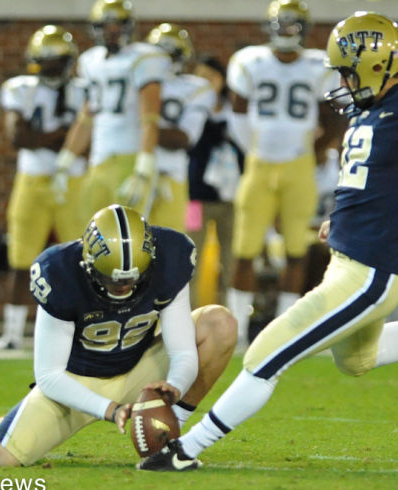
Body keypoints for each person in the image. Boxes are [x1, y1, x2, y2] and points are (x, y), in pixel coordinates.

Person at [137, 11, 398, 472]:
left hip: (369, 271)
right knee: (358, 359)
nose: (341, 80)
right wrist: (339, 217)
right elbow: (369, 180)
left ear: (374, 64)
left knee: (263, 355)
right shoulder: (368, 111)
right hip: (351, 260)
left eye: (346, 70)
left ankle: (185, 448)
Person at [0, 204, 237, 466]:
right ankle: (3, 426)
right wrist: (110, 409)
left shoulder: (171, 256)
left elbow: (181, 351)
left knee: (219, 324)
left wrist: (175, 387)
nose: (124, 287)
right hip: (77, 380)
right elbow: (48, 375)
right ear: (88, 263)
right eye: (113, 280)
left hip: (141, 368)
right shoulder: (59, 271)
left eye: (132, 280)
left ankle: (170, 437)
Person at [225, 0, 343, 348]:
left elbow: (334, 115)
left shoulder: (317, 64)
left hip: (299, 166)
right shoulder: (250, 60)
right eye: (284, 24)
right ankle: (239, 334)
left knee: (296, 248)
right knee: (244, 248)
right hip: (259, 165)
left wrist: (315, 151)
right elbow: (237, 113)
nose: (288, 31)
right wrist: (257, 149)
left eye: (294, 25)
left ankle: (284, 331)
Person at [0, 25, 88, 350]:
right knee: (21, 258)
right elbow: (19, 137)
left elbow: (91, 142)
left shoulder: (84, 89)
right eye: (47, 59)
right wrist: (62, 137)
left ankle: (83, 329)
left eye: (58, 59)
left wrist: (45, 138)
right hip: (31, 181)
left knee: (83, 261)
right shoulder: (21, 88)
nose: (53, 66)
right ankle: (12, 332)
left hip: (75, 181)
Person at [55, 0, 170, 224]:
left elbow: (150, 118)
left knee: (130, 235)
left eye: (117, 25)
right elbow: (87, 117)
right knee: (93, 232)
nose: (112, 32)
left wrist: (144, 166)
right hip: (99, 159)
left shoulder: (143, 57)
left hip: (130, 156)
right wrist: (66, 159)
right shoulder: (91, 60)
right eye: (106, 26)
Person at [139, 23, 216, 231]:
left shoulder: (195, 88)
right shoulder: (136, 81)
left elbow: (183, 139)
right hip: (134, 171)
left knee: (169, 250)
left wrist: (142, 128)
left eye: (170, 55)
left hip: (172, 175)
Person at [187, 55, 244, 308]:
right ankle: (190, 312)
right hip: (195, 199)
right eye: (201, 78)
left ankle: (228, 314)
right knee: (191, 256)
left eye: (211, 77)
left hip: (231, 199)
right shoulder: (191, 108)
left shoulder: (235, 110)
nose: (206, 84)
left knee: (230, 259)